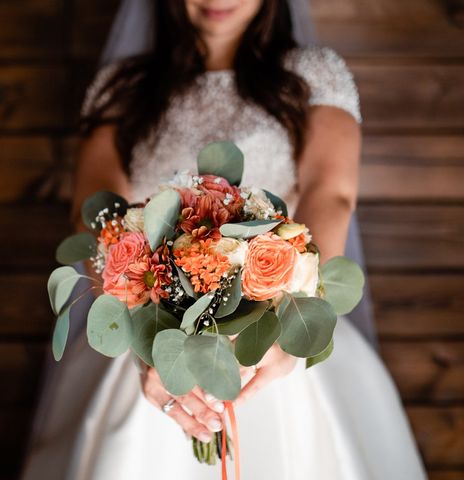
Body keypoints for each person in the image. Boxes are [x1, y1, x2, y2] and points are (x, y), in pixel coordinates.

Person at [21, 1, 427, 478]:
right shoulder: (121, 90)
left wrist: (291, 330)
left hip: (274, 328)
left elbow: (329, 195)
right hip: (151, 326)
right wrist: (146, 345)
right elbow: (93, 217)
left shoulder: (315, 75)